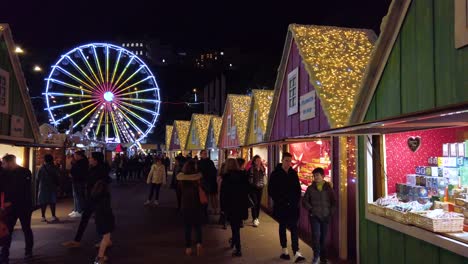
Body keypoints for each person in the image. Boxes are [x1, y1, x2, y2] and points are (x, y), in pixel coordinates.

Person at [62, 152, 112, 250]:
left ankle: (106, 241)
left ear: (95, 160)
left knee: (101, 220)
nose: (89, 159)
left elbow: (95, 183)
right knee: (88, 219)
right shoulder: (95, 169)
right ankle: (77, 240)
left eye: (91, 158)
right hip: (93, 198)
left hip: (98, 199)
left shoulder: (100, 171)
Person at [268, 152, 306, 263]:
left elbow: (298, 190)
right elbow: (271, 190)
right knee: (282, 227)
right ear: (282, 160)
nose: (288, 163)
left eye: (290, 161)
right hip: (281, 206)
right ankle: (284, 249)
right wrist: (280, 201)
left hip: (293, 207)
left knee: (294, 228)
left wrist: (295, 202)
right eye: (286, 160)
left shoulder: (293, 173)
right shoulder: (275, 174)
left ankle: (296, 251)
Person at [0, 154, 34, 263]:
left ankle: (28, 251)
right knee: (8, 230)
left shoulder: (25, 172)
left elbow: (24, 191)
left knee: (26, 228)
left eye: (4, 163)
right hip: (12, 207)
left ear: (10, 162)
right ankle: (4, 255)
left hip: (23, 206)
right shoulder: (4, 173)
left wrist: (10, 202)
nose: (3, 165)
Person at [302, 167, 336, 264]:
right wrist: (311, 209)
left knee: (323, 239)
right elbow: (304, 201)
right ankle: (316, 256)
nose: (315, 177)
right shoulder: (310, 188)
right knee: (316, 236)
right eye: (314, 176)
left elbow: (334, 202)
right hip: (314, 216)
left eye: (317, 175)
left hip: (325, 216)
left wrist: (330, 213)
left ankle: (323, 258)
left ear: (323, 176)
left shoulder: (328, 188)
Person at [88, 152, 115, 264]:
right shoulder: (104, 192)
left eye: (90, 157)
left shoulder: (96, 191)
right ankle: (99, 257)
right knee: (106, 234)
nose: (89, 159)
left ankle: (104, 247)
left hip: (100, 212)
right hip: (104, 214)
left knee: (105, 234)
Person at [222, 158, 250, 257]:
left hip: (231, 206)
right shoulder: (243, 176)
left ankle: (238, 248)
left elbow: (223, 194)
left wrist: (223, 208)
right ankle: (234, 243)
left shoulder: (226, 177)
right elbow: (247, 190)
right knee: (236, 227)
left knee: (235, 228)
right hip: (241, 205)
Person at [176, 159, 204, 257]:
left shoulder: (181, 178)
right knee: (198, 227)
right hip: (197, 205)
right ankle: (199, 243)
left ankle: (188, 248)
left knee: (187, 227)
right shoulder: (198, 177)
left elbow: (179, 190)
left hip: (186, 205)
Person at [36, 154, 60, 223]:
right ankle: (53, 216)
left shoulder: (41, 167)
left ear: (45, 160)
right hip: (52, 187)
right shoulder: (54, 167)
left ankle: (43, 217)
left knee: (43, 202)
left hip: (43, 187)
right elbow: (58, 177)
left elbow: (38, 178)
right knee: (52, 202)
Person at [69, 150, 89, 217]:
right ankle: (76, 209)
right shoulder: (80, 162)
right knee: (76, 196)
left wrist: (72, 174)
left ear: (79, 155)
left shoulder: (82, 162)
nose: (74, 156)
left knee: (79, 196)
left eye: (75, 155)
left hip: (79, 181)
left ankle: (80, 210)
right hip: (76, 180)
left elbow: (79, 172)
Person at [248, 155, 266, 227]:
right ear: (254, 162)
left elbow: (264, 177)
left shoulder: (262, 168)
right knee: (254, 203)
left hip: (260, 188)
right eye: (257, 160)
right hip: (253, 188)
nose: (259, 162)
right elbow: (249, 179)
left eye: (259, 160)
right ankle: (255, 218)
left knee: (258, 204)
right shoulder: (251, 169)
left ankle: (256, 218)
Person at [198, 150, 218, 215]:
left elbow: (214, 171)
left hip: (211, 181)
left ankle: (214, 209)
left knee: (212, 196)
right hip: (205, 181)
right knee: (206, 196)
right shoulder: (199, 162)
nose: (205, 154)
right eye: (204, 153)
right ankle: (207, 209)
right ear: (200, 155)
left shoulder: (210, 162)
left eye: (206, 153)